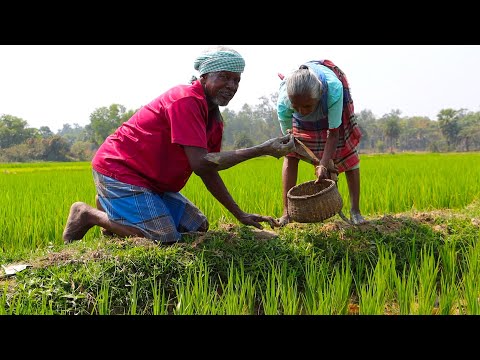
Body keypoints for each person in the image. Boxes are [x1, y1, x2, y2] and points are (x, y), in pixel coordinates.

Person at [63, 46, 295, 245]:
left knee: (197, 226)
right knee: (164, 239)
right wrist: (261, 149)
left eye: (236, 80)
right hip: (121, 171)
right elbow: (200, 163)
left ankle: (114, 209)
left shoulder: (214, 119)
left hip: (152, 182)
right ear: (204, 77)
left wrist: (240, 214)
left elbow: (208, 170)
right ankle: (89, 215)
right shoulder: (185, 101)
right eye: (224, 77)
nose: (231, 85)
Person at [276, 59, 366, 226]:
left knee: (347, 153)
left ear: (317, 98)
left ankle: (355, 210)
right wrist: (318, 161)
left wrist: (324, 164)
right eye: (297, 107)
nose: (302, 111)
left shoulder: (333, 91)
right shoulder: (284, 103)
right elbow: (291, 140)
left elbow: (333, 133)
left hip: (330, 107)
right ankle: (287, 213)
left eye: (307, 106)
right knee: (290, 154)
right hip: (301, 118)